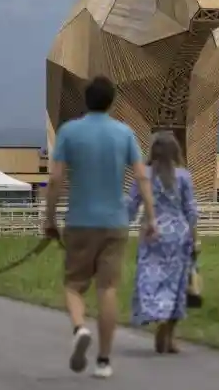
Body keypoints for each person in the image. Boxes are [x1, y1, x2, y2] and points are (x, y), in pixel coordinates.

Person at [44, 75, 157, 379]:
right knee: (108, 289)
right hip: (114, 222)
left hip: (80, 222)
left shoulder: (69, 132)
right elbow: (142, 176)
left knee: (73, 285)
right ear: (112, 102)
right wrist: (151, 217)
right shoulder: (125, 133)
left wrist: (49, 219)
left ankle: (80, 328)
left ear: (86, 100)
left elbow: (55, 180)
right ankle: (104, 361)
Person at [127, 130, 199, 354]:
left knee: (151, 279)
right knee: (177, 284)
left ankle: (157, 315)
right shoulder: (183, 177)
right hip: (178, 234)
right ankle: (169, 332)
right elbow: (191, 210)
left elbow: (131, 205)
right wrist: (195, 239)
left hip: (152, 234)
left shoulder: (144, 175)